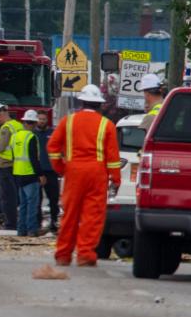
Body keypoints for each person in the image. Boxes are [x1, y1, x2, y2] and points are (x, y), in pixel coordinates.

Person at [47, 84, 121, 266]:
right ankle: (85, 254)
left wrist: (61, 168)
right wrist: (116, 179)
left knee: (70, 214)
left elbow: (53, 148)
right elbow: (112, 157)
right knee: (92, 216)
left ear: (81, 102)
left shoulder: (68, 121)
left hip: (73, 172)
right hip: (97, 174)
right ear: (99, 104)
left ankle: (63, 255)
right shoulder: (107, 125)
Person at [0, 103, 23, 231]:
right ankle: (17, 221)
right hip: (18, 165)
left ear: (0, 115)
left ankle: (10, 224)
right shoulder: (19, 125)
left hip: (5, 166)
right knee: (17, 196)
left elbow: (0, 148)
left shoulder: (6, 128)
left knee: (7, 197)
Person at [12, 110, 46, 237]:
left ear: (24, 122)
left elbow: (12, 155)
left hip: (18, 174)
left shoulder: (15, 136)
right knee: (32, 204)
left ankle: (21, 230)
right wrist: (41, 175)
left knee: (23, 205)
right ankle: (32, 229)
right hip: (30, 175)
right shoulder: (31, 137)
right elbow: (34, 159)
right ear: (34, 124)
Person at [34, 111, 60, 232]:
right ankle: (37, 223)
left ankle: (54, 222)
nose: (42, 121)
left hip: (51, 171)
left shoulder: (53, 133)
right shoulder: (33, 134)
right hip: (37, 171)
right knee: (37, 200)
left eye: (44, 119)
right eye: (40, 119)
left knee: (54, 199)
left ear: (47, 120)